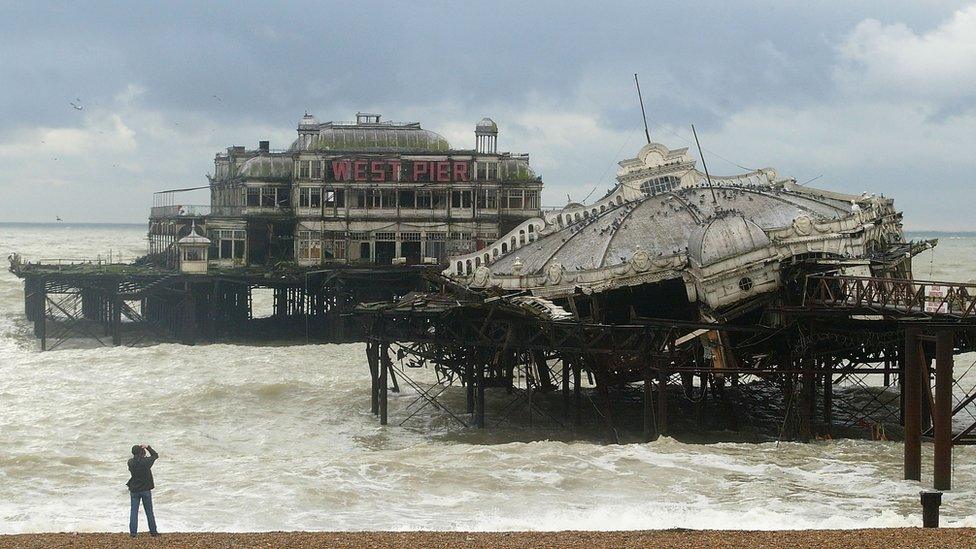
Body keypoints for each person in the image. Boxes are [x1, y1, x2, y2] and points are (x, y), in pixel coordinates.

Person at [126, 444, 159, 537]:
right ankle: (153, 532)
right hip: (145, 489)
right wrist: (147, 447)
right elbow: (155, 455)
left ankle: (133, 533)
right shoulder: (146, 462)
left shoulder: (130, 462)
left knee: (134, 511)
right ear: (141, 452)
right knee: (149, 511)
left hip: (134, 489)